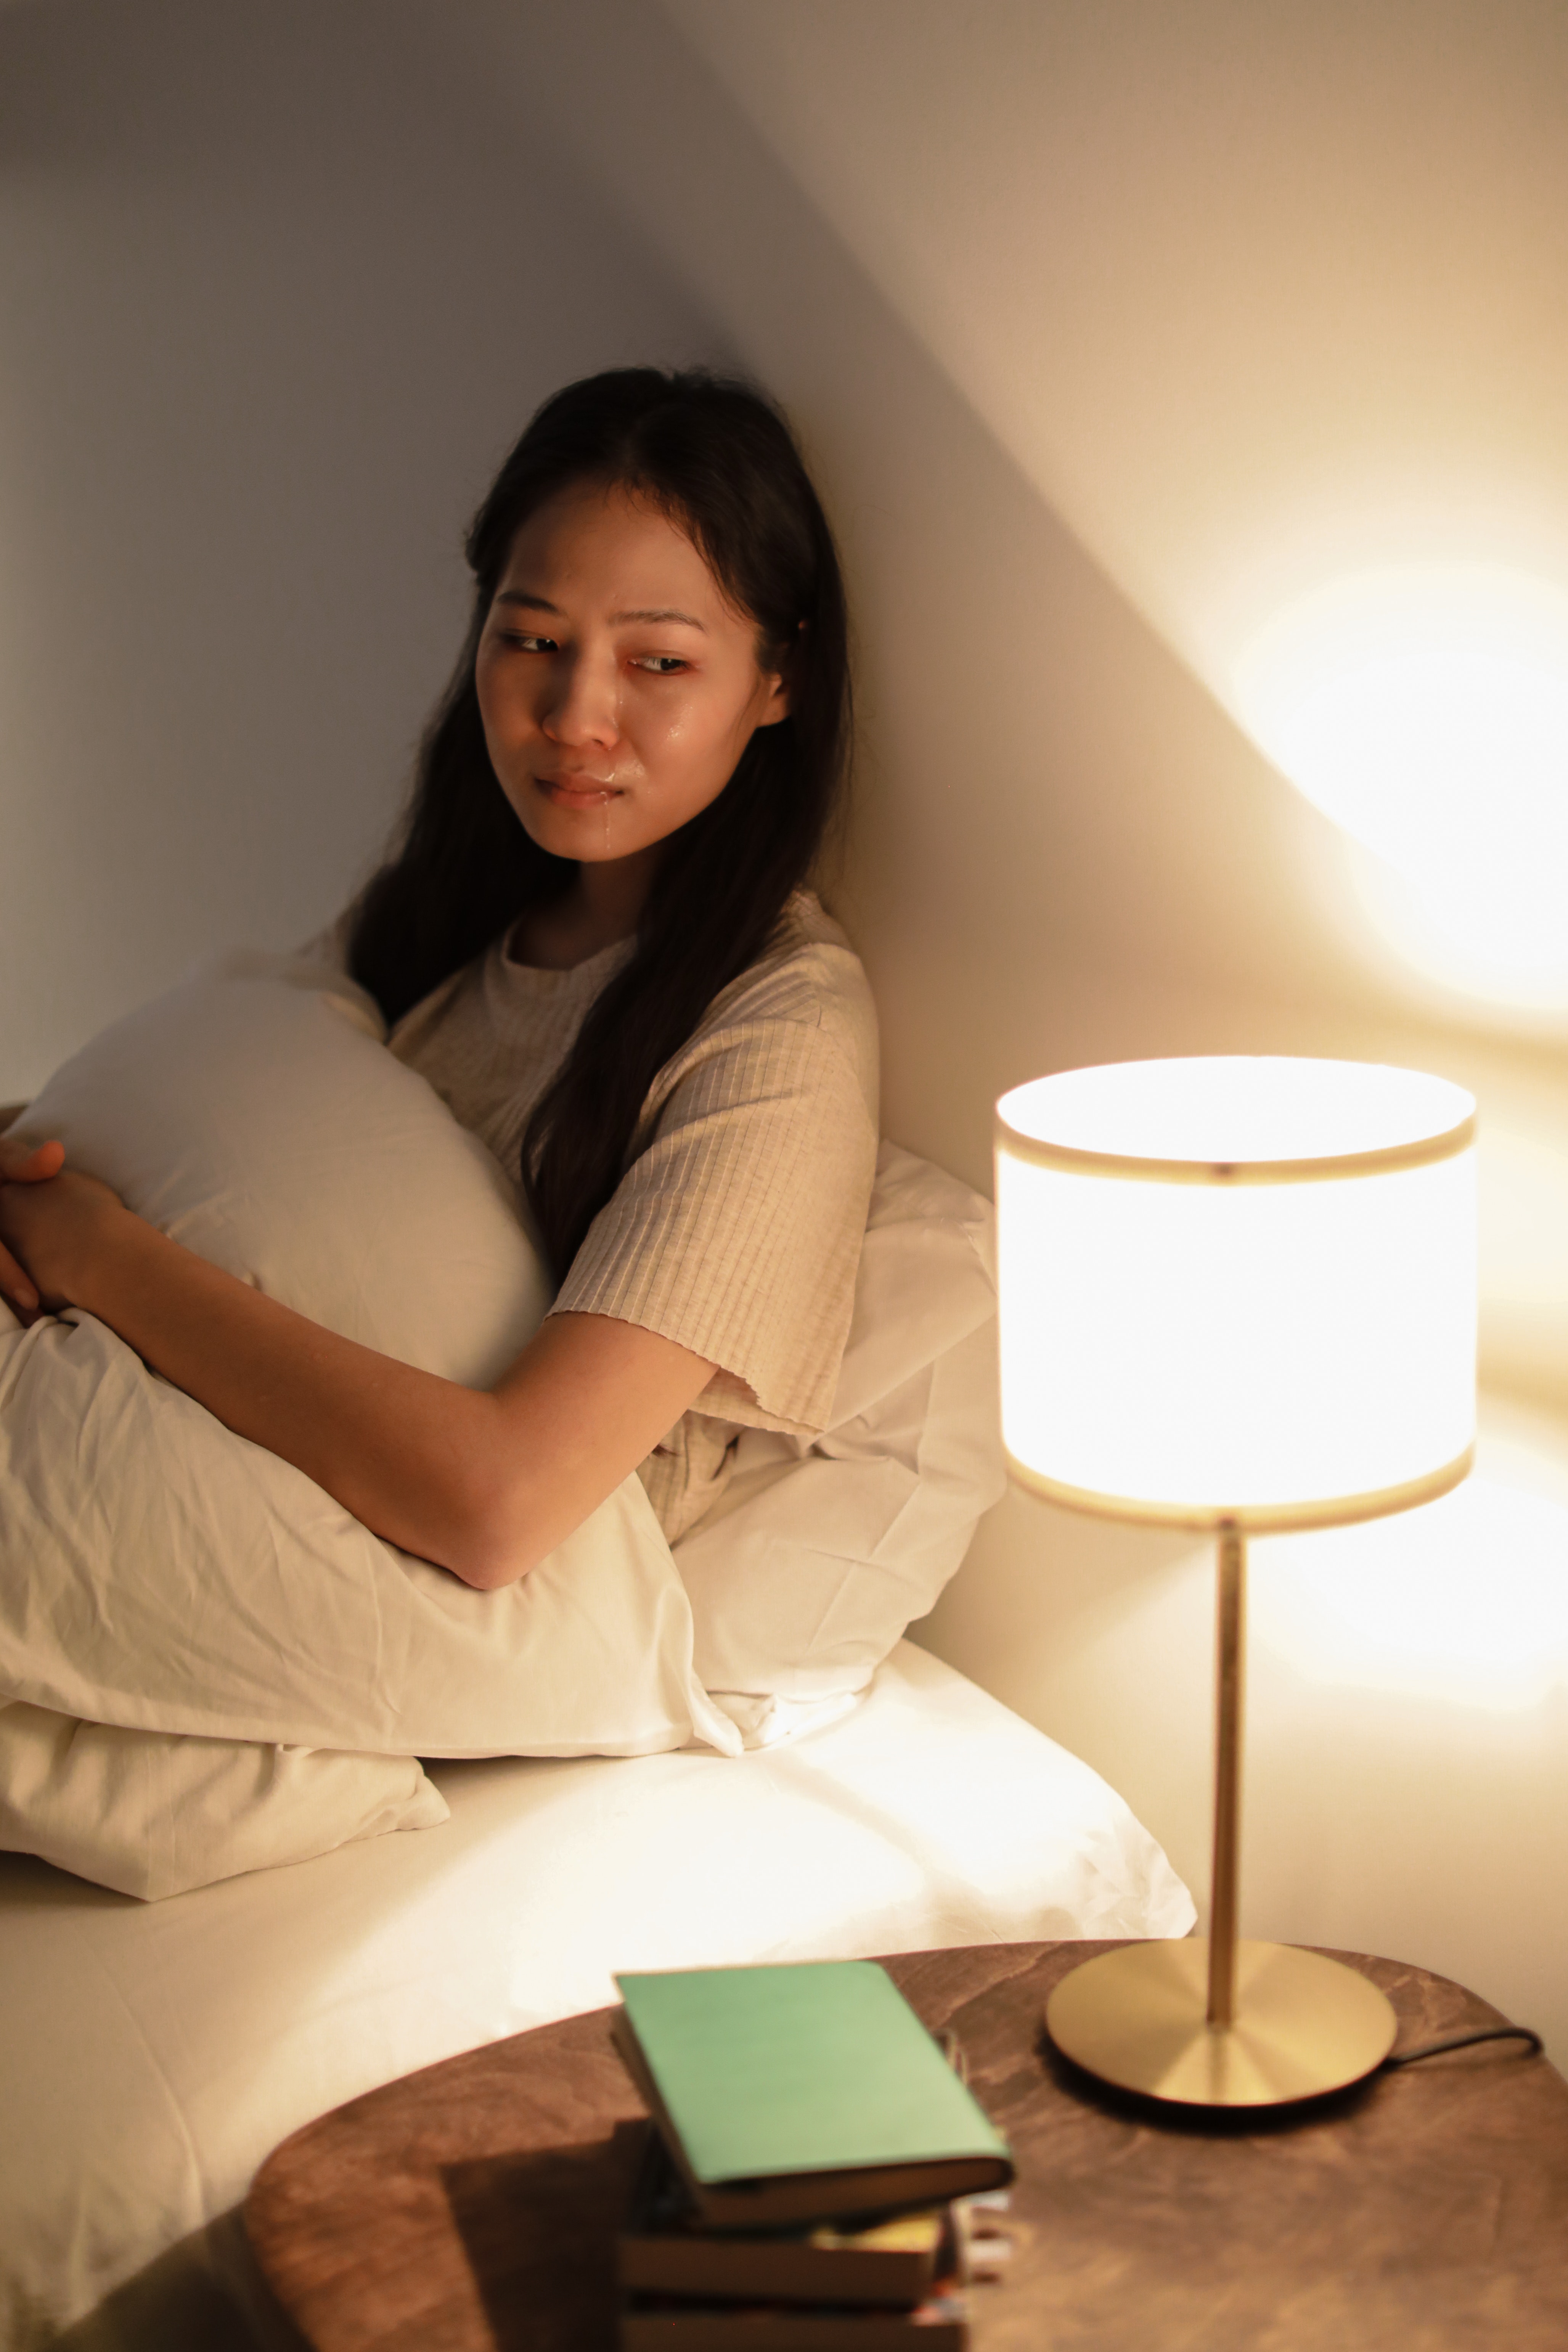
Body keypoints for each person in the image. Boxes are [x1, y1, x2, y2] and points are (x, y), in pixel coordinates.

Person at [0, 368, 878, 1589]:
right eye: (532, 640)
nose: (575, 714)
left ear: (777, 679)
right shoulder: (447, 922)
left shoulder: (780, 1029)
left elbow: (503, 1503)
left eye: (660, 665)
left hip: (437, 1593)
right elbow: (219, 1113)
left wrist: (91, 1254)